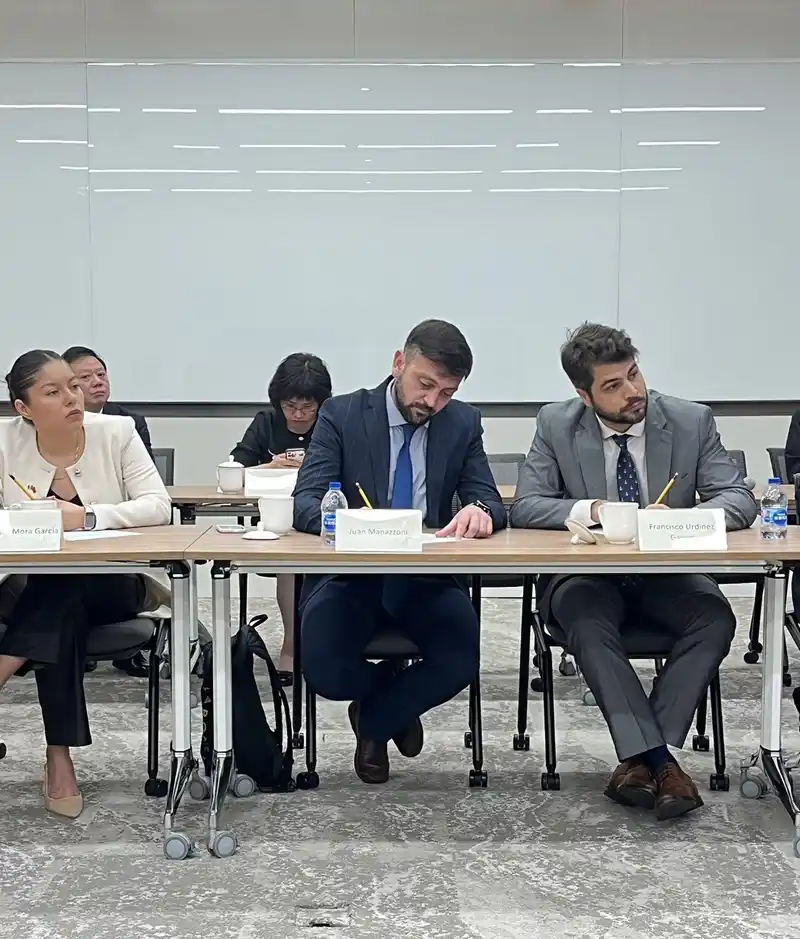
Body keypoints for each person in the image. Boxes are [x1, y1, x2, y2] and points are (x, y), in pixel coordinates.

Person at [511, 323, 757, 820]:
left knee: (715, 618)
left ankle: (641, 762)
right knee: (585, 621)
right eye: (612, 385)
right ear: (584, 396)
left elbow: (739, 498)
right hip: (588, 577)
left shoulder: (690, 420)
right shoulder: (556, 424)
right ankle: (663, 763)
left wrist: (683, 520)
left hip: (668, 574)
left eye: (634, 374)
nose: (632, 391)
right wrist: (594, 510)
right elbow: (526, 505)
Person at [293, 320, 506, 784]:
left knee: (460, 659)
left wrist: (480, 511)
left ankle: (375, 720)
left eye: (446, 393)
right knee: (322, 666)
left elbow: (487, 496)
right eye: (424, 384)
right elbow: (306, 501)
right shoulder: (342, 415)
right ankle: (388, 694)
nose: (432, 402)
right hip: (352, 575)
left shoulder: (463, 422)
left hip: (427, 577)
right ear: (397, 364)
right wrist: (358, 526)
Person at [0, 350, 171, 819]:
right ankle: (58, 756)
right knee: (59, 598)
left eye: (73, 386)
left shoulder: (116, 432)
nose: (72, 398)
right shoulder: (3, 442)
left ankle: (10, 670)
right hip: (32, 586)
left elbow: (159, 506)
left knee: (64, 585)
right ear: (23, 408)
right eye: (53, 392)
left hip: (113, 583)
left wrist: (88, 518)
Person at [231, 353, 332, 683]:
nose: (298, 414)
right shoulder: (266, 422)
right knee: (290, 560)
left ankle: (323, 644)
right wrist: (270, 467)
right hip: (276, 523)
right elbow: (234, 471)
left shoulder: (332, 421)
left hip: (322, 519)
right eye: (290, 406)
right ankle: (291, 645)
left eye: (307, 407)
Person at [63, 346, 153, 459]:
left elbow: (144, 469)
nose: (98, 382)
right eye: (85, 377)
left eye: (101, 374)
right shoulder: (55, 422)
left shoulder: (131, 423)